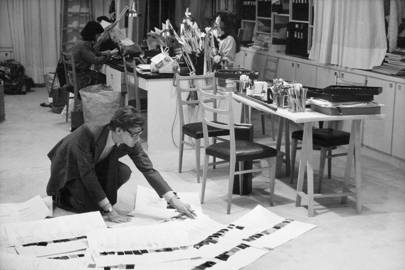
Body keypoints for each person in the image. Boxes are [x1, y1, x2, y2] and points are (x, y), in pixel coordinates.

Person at [46, 106, 196, 222]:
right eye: (134, 134)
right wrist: (108, 209)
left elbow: (148, 169)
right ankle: (65, 195)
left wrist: (173, 199)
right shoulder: (88, 133)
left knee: (123, 171)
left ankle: (94, 197)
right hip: (70, 167)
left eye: (140, 133)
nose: (138, 139)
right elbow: (87, 173)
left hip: (96, 164)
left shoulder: (130, 139)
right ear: (118, 130)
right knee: (88, 209)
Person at [72, 21, 117, 89]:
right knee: (108, 80)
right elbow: (96, 60)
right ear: (93, 34)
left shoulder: (80, 42)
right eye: (98, 35)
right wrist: (109, 54)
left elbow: (93, 53)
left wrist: (105, 53)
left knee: (104, 77)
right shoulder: (83, 45)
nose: (99, 37)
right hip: (81, 78)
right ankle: (100, 99)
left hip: (77, 75)